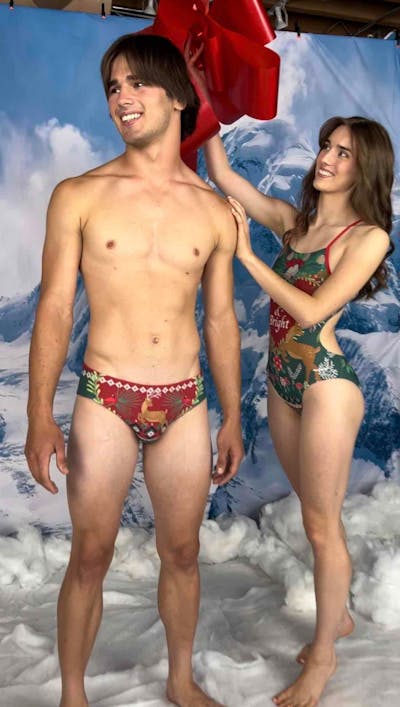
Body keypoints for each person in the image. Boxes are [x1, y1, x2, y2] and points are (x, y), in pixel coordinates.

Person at [24, 33, 244, 707]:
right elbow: (55, 307)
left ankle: (180, 680)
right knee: (91, 555)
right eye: (113, 86)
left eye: (138, 82)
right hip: (106, 396)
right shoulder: (79, 194)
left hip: (185, 400)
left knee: (183, 552)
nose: (122, 96)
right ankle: (73, 695)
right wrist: (38, 414)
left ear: (178, 96)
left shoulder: (213, 210)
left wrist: (234, 414)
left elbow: (220, 320)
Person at [202, 116, 394, 707]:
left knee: (319, 524)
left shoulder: (368, 238)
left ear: (366, 168)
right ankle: (339, 618)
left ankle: (326, 656)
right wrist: (204, 103)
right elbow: (224, 174)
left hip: (325, 385)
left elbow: (312, 314)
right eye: (326, 147)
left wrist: (247, 257)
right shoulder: (295, 223)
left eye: (344, 153)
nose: (327, 159)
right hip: (283, 386)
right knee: (316, 516)